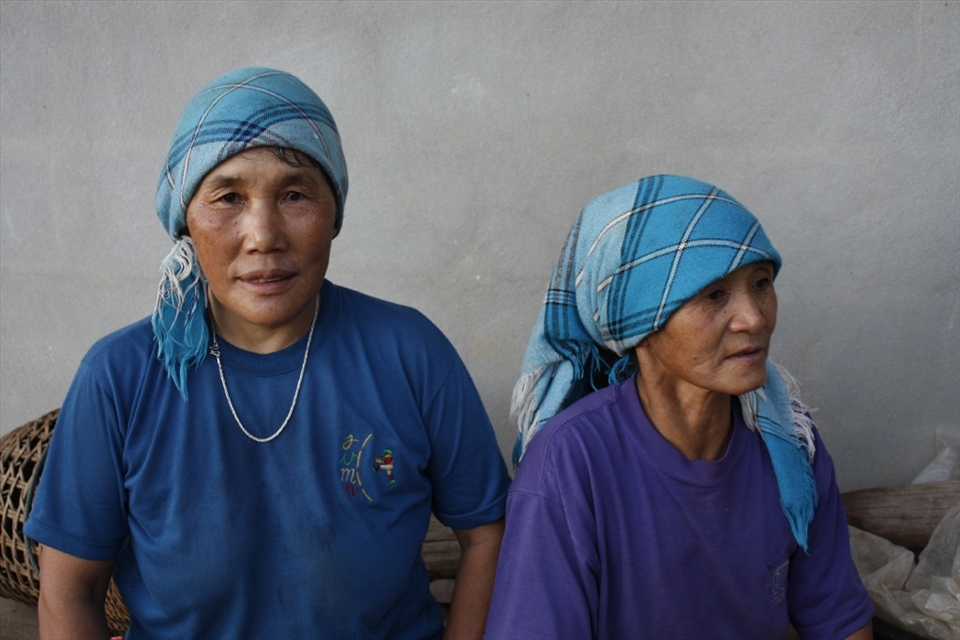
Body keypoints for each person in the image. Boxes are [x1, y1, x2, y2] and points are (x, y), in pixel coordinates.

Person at [25, 67, 510, 639]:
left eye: (295, 194)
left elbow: (488, 535)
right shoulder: (121, 377)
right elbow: (67, 593)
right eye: (228, 197)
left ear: (334, 213)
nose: (263, 235)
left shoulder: (410, 353)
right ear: (185, 221)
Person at [484, 175, 874, 639]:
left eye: (762, 283)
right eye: (714, 295)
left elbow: (839, 622)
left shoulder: (788, 441)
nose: (753, 317)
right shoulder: (570, 463)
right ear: (638, 322)